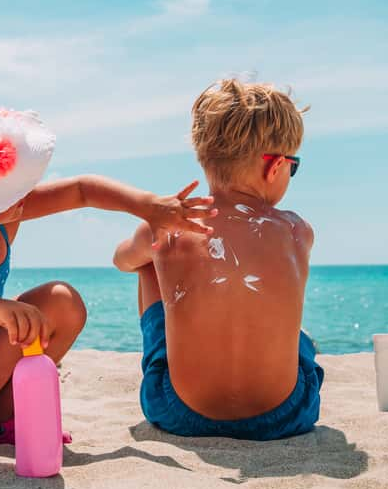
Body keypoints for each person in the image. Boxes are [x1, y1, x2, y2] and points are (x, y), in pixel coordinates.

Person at [0, 87, 216, 463]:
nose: (23, 190)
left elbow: (82, 190)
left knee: (61, 301)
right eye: (7, 185)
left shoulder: (4, 217)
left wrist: (147, 206)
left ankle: (0, 418)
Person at [113, 78, 323, 440]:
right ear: (274, 167)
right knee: (299, 340)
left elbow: (121, 260)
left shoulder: (169, 227)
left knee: (148, 262)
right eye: (294, 166)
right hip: (284, 415)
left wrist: (155, 237)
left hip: (180, 412)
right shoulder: (296, 231)